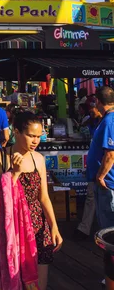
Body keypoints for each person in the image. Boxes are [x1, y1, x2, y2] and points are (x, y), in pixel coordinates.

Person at [0, 111, 62, 290]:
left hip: (38, 224)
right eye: (31, 135)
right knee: (14, 274)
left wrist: (53, 225)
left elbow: (43, 196)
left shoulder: (38, 158)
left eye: (38, 136)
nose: (35, 141)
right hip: (12, 227)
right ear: (16, 132)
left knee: (38, 281)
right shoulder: (1, 156)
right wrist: (14, 173)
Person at [85, 86, 114, 287]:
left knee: (109, 233)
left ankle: (111, 275)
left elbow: (110, 153)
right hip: (108, 182)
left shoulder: (110, 121)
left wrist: (101, 176)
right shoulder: (108, 119)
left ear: (98, 102)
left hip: (109, 183)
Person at [75, 101, 102, 240]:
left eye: (93, 111)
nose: (91, 113)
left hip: (101, 171)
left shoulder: (106, 123)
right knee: (92, 199)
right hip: (95, 170)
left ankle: (86, 228)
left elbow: (109, 154)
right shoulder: (96, 123)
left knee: (94, 199)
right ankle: (85, 228)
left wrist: (101, 174)